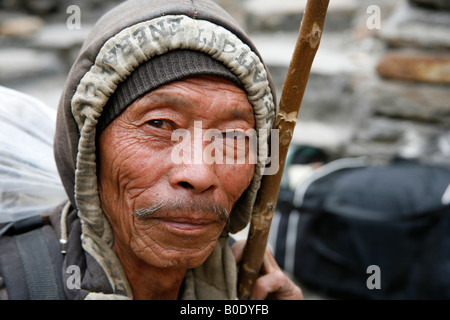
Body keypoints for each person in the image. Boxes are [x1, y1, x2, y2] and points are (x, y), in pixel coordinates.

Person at [0, 0, 302, 300]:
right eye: (159, 124)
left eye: (233, 136)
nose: (199, 173)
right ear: (88, 152)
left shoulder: (249, 292)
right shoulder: (18, 286)